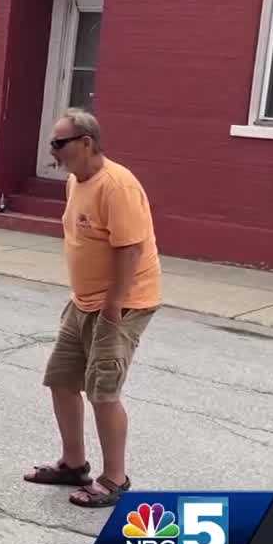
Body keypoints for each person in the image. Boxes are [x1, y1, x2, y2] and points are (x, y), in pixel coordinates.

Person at [23, 108, 162, 508]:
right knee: (62, 379)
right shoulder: (75, 181)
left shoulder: (117, 186)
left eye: (58, 143)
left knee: (103, 390)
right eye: (52, 142)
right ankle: (73, 464)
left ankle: (115, 479)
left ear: (86, 143)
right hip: (84, 302)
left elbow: (130, 249)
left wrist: (113, 307)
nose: (53, 150)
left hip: (122, 305)